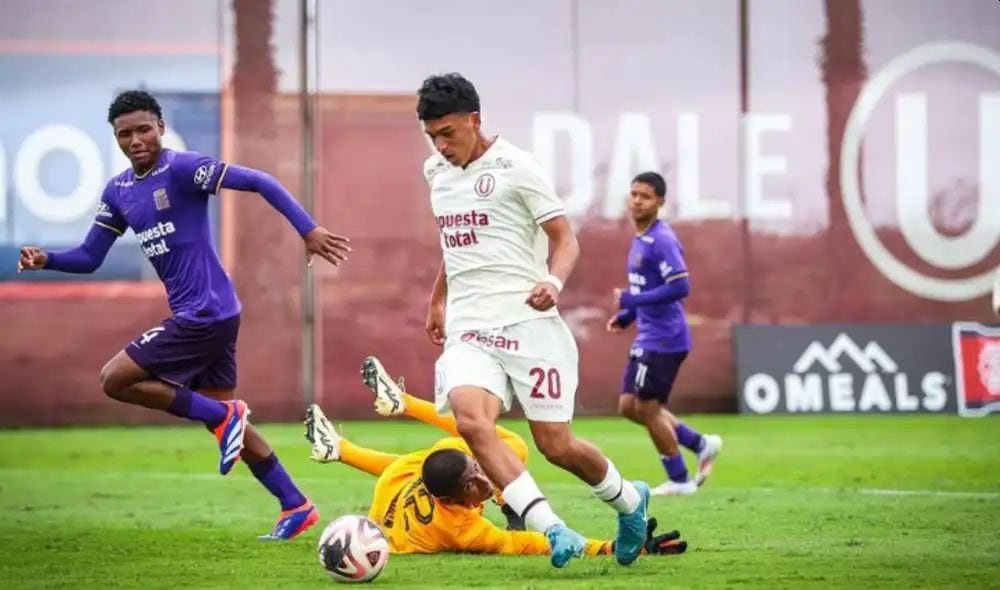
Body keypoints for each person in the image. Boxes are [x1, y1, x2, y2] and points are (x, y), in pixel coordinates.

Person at [16, 90, 350, 540]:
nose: (136, 140)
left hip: (206, 311)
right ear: (115, 137)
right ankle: (295, 503)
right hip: (214, 313)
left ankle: (225, 417)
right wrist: (47, 260)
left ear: (160, 127)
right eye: (125, 134)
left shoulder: (183, 169)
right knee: (222, 418)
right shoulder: (118, 191)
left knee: (115, 379)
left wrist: (308, 230)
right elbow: (90, 257)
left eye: (143, 129)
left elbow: (260, 180)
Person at [416, 73, 650, 569]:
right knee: (471, 422)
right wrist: (438, 300)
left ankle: (631, 502)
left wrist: (553, 282)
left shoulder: (517, 167)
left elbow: (566, 240)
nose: (441, 146)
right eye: (432, 136)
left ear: (475, 121)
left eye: (449, 134)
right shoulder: (436, 173)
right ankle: (553, 529)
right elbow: (456, 245)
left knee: (556, 446)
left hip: (527, 322)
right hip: (470, 326)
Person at [303, 356, 687, 558]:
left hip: (395, 499)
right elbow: (525, 545)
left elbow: (394, 468)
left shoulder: (415, 471)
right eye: (473, 483)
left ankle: (349, 440)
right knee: (512, 448)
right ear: (450, 499)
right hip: (403, 529)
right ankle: (388, 413)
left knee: (495, 445)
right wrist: (605, 547)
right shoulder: (463, 531)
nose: (484, 478)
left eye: (477, 469)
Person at [607, 172, 722, 496]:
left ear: (659, 202)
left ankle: (680, 480)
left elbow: (681, 286)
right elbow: (648, 288)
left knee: (647, 408)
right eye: (633, 194)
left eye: (645, 196)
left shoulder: (662, 239)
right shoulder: (640, 237)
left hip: (665, 338)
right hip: (647, 334)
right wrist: (628, 315)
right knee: (628, 406)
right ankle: (699, 443)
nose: (636, 201)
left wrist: (632, 301)